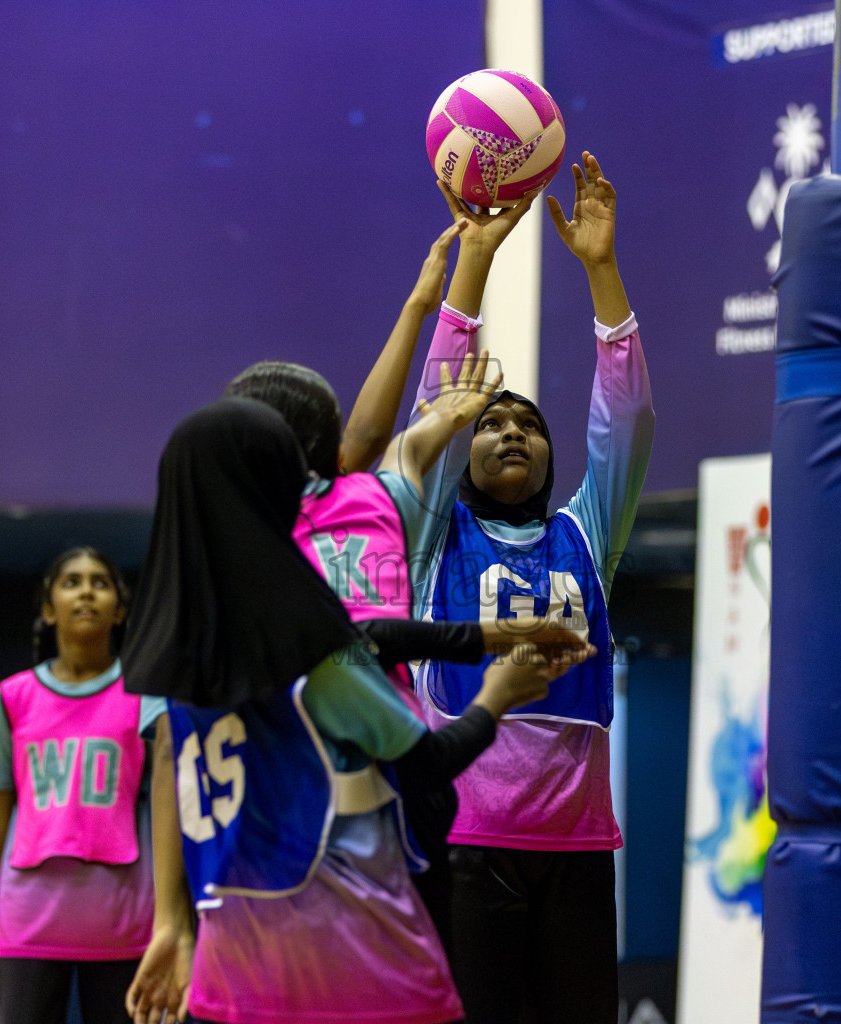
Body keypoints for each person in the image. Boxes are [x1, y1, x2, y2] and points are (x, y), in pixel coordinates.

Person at [119, 397, 593, 1024]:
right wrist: (495, 698)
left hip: (231, 975)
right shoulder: (308, 648)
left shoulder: (177, 656)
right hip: (357, 964)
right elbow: (425, 761)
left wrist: (485, 636)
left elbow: (365, 638)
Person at [393, 151, 655, 1024]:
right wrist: (476, 255)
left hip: (578, 850)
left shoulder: (585, 533)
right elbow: (433, 414)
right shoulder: (433, 538)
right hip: (465, 844)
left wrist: (600, 269)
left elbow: (626, 421)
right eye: (492, 421)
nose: (510, 432)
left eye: (528, 426)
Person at [0, 547, 152, 1024]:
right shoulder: (12, 698)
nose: (86, 590)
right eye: (72, 582)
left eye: (100, 582)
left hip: (124, 926)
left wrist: (176, 924)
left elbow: (166, 815)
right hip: (31, 923)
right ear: (48, 610)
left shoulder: (146, 695)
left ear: (120, 610)